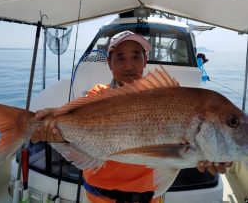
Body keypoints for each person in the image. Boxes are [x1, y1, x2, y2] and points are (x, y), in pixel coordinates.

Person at [32, 31, 232, 203]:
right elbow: (69, 126)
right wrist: (53, 129)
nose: (129, 65)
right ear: (109, 63)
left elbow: (176, 158)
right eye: (120, 57)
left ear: (145, 61)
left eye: (136, 56)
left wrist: (214, 154)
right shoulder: (96, 96)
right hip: (97, 198)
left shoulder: (167, 97)